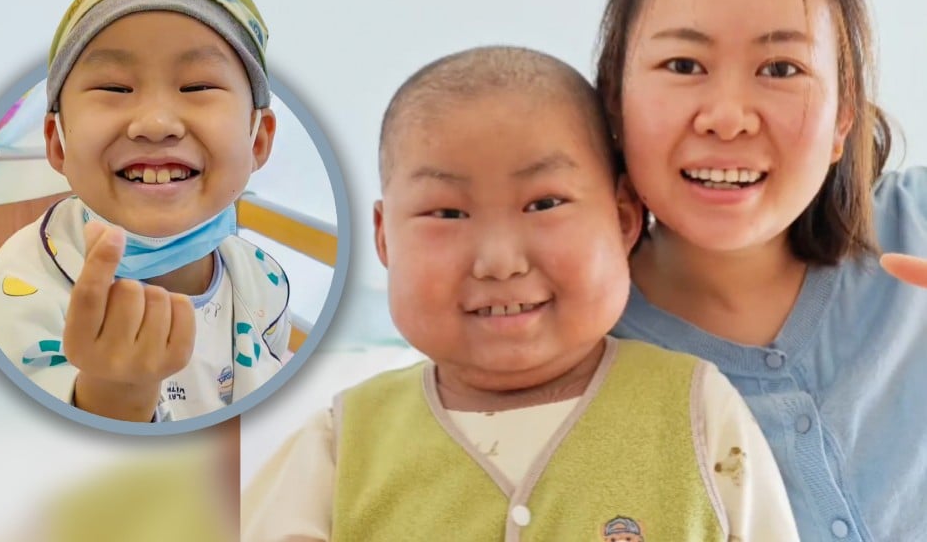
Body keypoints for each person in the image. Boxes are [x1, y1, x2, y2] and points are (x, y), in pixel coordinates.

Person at [241, 46, 799, 541]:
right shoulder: (340, 445)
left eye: (544, 204)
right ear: (386, 238)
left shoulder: (699, 412)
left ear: (624, 217)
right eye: (447, 213)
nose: (500, 261)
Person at [596, 0, 927, 540]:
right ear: (615, 102)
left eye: (780, 68)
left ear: (843, 115)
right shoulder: (573, 358)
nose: (727, 117)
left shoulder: (915, 228)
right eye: (683, 63)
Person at [0, 0, 290, 423]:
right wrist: (111, 398)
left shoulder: (264, 281)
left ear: (258, 140)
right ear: (57, 144)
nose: (156, 122)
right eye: (115, 89)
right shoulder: (21, 288)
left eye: (198, 87)